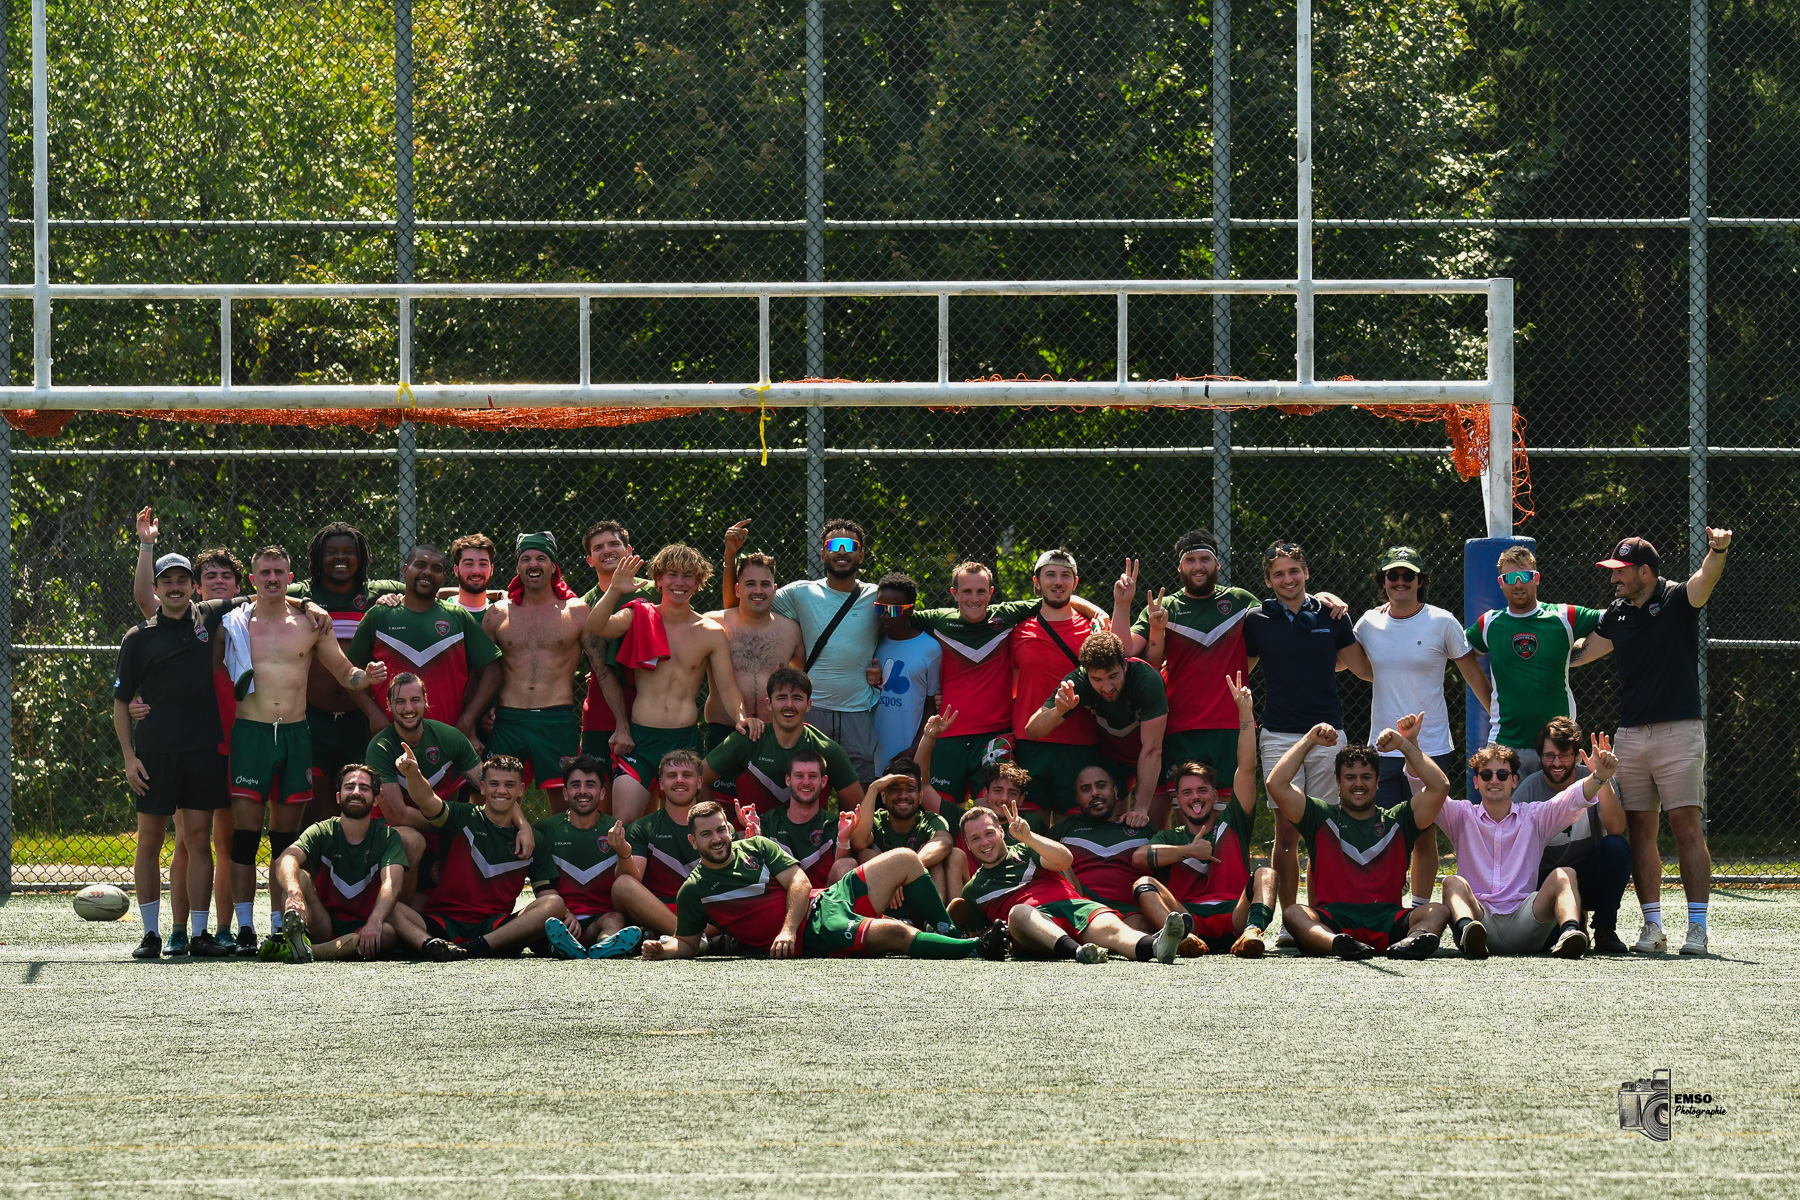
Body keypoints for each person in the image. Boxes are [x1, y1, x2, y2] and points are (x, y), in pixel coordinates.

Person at [1574, 529, 1731, 956]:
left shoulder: (1679, 598)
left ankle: (1696, 928)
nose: (1613, 580)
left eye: (1620, 572)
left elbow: (1707, 578)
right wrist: (1532, 648)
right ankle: (1652, 927)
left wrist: (1718, 549)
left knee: (1685, 825)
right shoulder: (1616, 614)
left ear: (1645, 571)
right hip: (1630, 735)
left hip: (1680, 729)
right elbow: (1582, 652)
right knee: (1641, 830)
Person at [227, 544, 387, 956]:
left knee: (285, 840)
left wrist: (364, 678)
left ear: (289, 574)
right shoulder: (235, 621)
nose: (273, 579)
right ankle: (244, 927)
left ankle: (281, 924)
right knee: (244, 838)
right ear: (253, 579)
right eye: (265, 572)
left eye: (279, 571)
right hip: (251, 733)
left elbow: (343, 670)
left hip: (297, 735)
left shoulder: (311, 622)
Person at [641, 802, 993, 961]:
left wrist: (786, 929)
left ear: (729, 828)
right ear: (693, 842)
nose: (717, 838)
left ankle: (947, 933)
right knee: (896, 935)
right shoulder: (695, 889)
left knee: (906, 858)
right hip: (816, 932)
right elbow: (686, 944)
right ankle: (977, 947)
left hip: (823, 902)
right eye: (707, 835)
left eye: (721, 829)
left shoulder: (756, 846)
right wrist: (662, 949)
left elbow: (799, 881)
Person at [1347, 545, 1492, 909]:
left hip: (1429, 747)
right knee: (1380, 831)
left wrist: (1498, 721)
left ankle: (1419, 909)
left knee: (1423, 831)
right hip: (1381, 748)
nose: (1399, 581)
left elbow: (1473, 676)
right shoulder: (1367, 623)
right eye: (1392, 575)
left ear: (1420, 581)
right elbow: (1341, 661)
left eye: (1407, 575)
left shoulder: (1442, 622)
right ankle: (1382, 906)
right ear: (1383, 581)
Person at [113, 553, 239, 959]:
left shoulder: (210, 616)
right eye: (167, 581)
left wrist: (307, 602)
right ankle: (151, 934)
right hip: (155, 754)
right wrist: (130, 756)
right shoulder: (137, 637)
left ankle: (199, 935)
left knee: (200, 841)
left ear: (193, 586)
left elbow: (268, 593)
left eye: (183, 580)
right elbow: (119, 703)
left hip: (203, 751)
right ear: (158, 587)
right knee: (149, 842)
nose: (175, 587)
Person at [1242, 541, 1365, 938]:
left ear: (1306, 573)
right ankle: (1290, 921)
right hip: (1278, 734)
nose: (1287, 579)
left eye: (1294, 570)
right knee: (1287, 831)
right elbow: (1241, 670)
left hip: (1330, 734)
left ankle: (1322, 916)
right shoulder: (1257, 620)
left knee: (1325, 831)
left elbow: (1361, 667)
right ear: (1267, 580)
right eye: (1278, 573)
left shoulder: (1332, 613)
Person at [587, 546, 754, 824]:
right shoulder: (640, 615)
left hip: (683, 741)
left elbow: (727, 688)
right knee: (624, 821)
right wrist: (615, 589)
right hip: (641, 740)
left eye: (688, 576)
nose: (680, 583)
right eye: (672, 575)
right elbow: (596, 626)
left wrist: (740, 717)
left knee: (696, 823)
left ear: (698, 583)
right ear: (659, 579)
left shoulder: (711, 632)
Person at [1265, 717, 1452, 960]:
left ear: (1377, 781)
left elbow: (1440, 786)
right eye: (1350, 777)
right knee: (1294, 913)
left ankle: (1412, 941)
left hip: (1389, 919)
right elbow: (1276, 784)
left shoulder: (1399, 819)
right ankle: (1338, 945)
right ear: (1338, 783)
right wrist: (1309, 740)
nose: (1358, 784)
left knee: (1437, 911)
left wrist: (1405, 745)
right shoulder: (1320, 816)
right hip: (1334, 922)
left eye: (1366, 776)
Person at [902, 561, 1070, 808]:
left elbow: (1057, 600)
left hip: (994, 737)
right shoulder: (937, 620)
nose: (974, 598)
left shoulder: (1007, 615)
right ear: (954, 593)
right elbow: (893, 620)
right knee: (943, 815)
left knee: (993, 813)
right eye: (967, 591)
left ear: (991, 593)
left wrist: (1099, 613)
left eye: (981, 591)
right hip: (949, 736)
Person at [1133, 674, 1279, 957]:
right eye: (1187, 792)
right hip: (1190, 920)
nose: (1195, 797)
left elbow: (1247, 769)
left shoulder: (1233, 821)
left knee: (1266, 873)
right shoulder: (1170, 837)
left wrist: (1244, 714)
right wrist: (1189, 850)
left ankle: (1253, 932)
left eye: (1202, 790)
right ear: (1177, 798)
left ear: (1215, 795)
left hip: (1236, 915)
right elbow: (1139, 859)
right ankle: (1179, 937)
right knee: (1143, 884)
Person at [1436, 736, 1621, 959]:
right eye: (1486, 775)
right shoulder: (1461, 815)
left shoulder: (1534, 816)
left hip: (1525, 920)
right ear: (1476, 782)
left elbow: (1572, 798)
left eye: (1502, 775)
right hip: (1479, 919)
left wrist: (1599, 777)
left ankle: (1571, 933)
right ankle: (1467, 930)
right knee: (1451, 882)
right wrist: (1409, 747)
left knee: (1565, 874)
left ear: (1514, 781)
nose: (1494, 780)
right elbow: (1429, 789)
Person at [1115, 529, 1260, 806]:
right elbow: (1125, 652)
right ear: (1180, 566)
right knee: (1182, 815)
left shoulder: (1241, 601)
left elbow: (1279, 623)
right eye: (1190, 560)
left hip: (1230, 726)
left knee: (1229, 818)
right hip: (1179, 726)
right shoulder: (1163, 607)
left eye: (1205, 559)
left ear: (1217, 564)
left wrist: (1321, 597)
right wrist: (1122, 604)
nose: (1198, 566)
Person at [959, 798, 1186, 964]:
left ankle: (1156, 947)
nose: (984, 842)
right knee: (1019, 912)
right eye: (975, 838)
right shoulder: (973, 890)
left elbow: (1064, 859)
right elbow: (982, 935)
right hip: (1032, 929)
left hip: (1073, 907)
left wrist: (1028, 837)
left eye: (989, 833)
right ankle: (1078, 952)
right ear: (967, 845)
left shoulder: (1027, 850)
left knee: (1113, 930)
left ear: (1001, 831)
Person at [289, 522, 402, 824]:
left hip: (360, 717)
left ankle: (354, 868)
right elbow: (262, 594)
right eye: (331, 552)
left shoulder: (378, 592)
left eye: (349, 552)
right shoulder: (302, 593)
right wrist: (305, 603)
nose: (340, 558)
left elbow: (426, 590)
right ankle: (314, 868)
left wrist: (399, 600)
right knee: (314, 807)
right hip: (312, 717)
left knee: (356, 800)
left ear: (361, 557)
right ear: (318, 557)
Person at [1465, 544, 1605, 778]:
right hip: (1505, 742)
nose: (1518, 583)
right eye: (1510, 578)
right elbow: (1458, 651)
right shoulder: (1489, 623)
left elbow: (1614, 618)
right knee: (1503, 813)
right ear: (1501, 582)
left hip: (1557, 746)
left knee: (1562, 814)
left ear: (1536, 578)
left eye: (1525, 576)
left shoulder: (1563, 616)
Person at [363, 673, 505, 901]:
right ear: (389, 705)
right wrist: (447, 825)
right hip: (392, 829)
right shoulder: (380, 746)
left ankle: (484, 917)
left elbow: (491, 787)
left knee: (486, 830)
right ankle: (402, 918)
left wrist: (521, 824)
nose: (408, 708)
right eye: (400, 702)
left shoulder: (449, 737)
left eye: (415, 700)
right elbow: (397, 814)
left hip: (438, 827)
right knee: (412, 841)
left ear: (426, 700)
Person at [409, 755, 568, 958]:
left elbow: (546, 894)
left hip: (494, 926)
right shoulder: (462, 816)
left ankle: (474, 949)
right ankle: (430, 945)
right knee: (390, 908)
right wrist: (413, 774)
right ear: (482, 787)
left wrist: (565, 912)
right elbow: (426, 800)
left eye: (509, 785)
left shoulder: (534, 840)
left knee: (554, 904)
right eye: (494, 784)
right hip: (444, 921)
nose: (501, 791)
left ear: (521, 790)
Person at [351, 543, 502, 744]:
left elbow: (493, 669)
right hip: (389, 738)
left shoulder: (457, 617)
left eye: (436, 569)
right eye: (420, 565)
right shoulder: (379, 616)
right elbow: (350, 670)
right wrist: (373, 714)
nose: (428, 572)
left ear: (444, 578)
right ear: (405, 570)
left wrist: (468, 719)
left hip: (447, 739)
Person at [483, 532, 588, 811]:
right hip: (508, 720)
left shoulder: (577, 611)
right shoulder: (497, 613)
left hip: (555, 719)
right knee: (492, 799)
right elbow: (481, 671)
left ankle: (559, 855)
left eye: (541, 558)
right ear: (517, 565)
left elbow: (602, 670)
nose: (533, 564)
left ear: (554, 566)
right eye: (526, 558)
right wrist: (480, 714)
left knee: (566, 804)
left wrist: (622, 726)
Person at [771, 519, 882, 785]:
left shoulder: (877, 596)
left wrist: (883, 670)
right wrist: (730, 558)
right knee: (804, 789)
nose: (842, 551)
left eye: (850, 546)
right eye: (834, 545)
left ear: (861, 554)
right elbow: (746, 608)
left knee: (860, 792)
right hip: (811, 709)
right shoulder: (801, 592)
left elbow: (900, 634)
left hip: (859, 711)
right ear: (822, 553)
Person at [270, 762, 414, 963]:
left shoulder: (388, 836)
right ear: (338, 797)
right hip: (324, 923)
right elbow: (287, 857)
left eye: (364, 788)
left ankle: (304, 951)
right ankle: (301, 942)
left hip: (366, 925)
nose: (356, 792)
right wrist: (294, 894)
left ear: (375, 800)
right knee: (298, 876)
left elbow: (392, 883)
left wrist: (374, 921)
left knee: (387, 933)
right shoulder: (322, 830)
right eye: (349, 787)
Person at [1021, 629, 1168, 826]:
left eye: (1113, 676)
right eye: (1097, 680)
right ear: (1086, 672)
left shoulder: (1146, 679)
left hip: (1154, 753)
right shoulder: (1078, 681)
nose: (1107, 687)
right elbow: (1032, 730)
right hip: (1113, 756)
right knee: (1112, 825)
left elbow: (1152, 749)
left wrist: (1140, 808)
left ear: (1124, 664)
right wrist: (1058, 710)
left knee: (1154, 826)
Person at [1009, 548, 1106, 825]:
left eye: (1066, 575)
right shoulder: (1018, 631)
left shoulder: (1095, 629)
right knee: (1029, 831)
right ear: (1036, 582)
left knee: (1074, 833)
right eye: (1050, 575)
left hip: (1081, 744)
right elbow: (1012, 687)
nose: (1058, 582)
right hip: (1030, 744)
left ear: (1075, 584)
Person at [1522, 717, 1630, 954]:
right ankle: (1572, 921)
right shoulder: (1529, 789)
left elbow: (1616, 827)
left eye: (1564, 755)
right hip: (1546, 882)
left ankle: (1604, 928)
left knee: (1616, 847)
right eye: (1550, 756)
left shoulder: (1592, 776)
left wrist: (1601, 779)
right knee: (1548, 942)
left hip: (1588, 875)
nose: (1557, 763)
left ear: (1577, 756)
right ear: (1540, 757)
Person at [701, 667, 862, 813]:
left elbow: (856, 811)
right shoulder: (747, 739)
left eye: (797, 698)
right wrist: (715, 825)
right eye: (781, 698)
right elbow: (698, 780)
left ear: (809, 704)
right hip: (752, 838)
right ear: (769, 703)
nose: (789, 705)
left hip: (809, 842)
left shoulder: (826, 749)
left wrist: (835, 836)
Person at [706, 525, 804, 755]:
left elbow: (813, 673)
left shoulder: (791, 631)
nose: (758, 590)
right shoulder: (713, 624)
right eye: (750, 584)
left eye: (765, 584)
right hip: (724, 729)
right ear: (738, 589)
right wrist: (729, 555)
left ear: (775, 589)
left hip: (775, 733)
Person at [537, 755, 645, 961]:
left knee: (616, 919)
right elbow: (539, 883)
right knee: (547, 923)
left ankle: (605, 945)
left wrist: (623, 851)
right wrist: (565, 913)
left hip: (601, 919)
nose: (583, 791)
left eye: (590, 785)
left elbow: (632, 882)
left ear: (603, 793)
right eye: (575, 785)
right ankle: (561, 944)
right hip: (561, 918)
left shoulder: (620, 830)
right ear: (565, 793)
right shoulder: (545, 829)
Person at [849, 719, 966, 903]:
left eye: (910, 790)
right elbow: (858, 843)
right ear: (883, 796)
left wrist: (903, 870)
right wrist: (872, 789)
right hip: (887, 899)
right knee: (866, 854)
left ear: (920, 797)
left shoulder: (928, 819)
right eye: (895, 789)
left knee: (941, 859)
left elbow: (944, 841)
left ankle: (940, 924)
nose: (903, 795)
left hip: (921, 895)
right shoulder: (877, 820)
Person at [609, 750, 709, 937]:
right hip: (658, 910)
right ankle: (691, 938)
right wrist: (624, 854)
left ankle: (681, 937)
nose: (679, 780)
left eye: (687, 775)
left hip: (704, 911)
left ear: (699, 782)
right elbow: (631, 881)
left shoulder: (717, 825)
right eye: (672, 776)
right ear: (661, 784)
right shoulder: (643, 827)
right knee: (622, 884)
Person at [576, 519, 648, 763]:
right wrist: (622, 725)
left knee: (647, 788)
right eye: (597, 548)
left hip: (655, 702)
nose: (606, 550)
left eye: (613, 543)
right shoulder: (584, 606)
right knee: (597, 786)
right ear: (590, 560)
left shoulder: (659, 591)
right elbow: (603, 671)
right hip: (605, 706)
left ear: (628, 550)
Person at [1052, 764, 1158, 928]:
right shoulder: (1065, 828)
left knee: (1142, 927)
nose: (1095, 793)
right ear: (1077, 799)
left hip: (1133, 914)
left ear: (1115, 791)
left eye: (1101, 786)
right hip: (1083, 914)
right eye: (1086, 789)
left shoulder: (1140, 829)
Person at [746, 748, 858, 886]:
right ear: (788, 780)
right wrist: (752, 840)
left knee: (848, 863)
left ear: (823, 781)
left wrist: (843, 840)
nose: (806, 782)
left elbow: (841, 871)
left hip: (825, 902)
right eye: (799, 776)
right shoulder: (768, 823)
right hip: (780, 902)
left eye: (812, 776)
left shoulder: (835, 824)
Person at [869, 571, 941, 773]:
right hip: (868, 752)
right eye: (880, 608)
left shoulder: (930, 649)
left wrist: (916, 747)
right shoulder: (871, 642)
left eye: (893, 610)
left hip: (907, 754)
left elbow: (931, 704)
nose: (884, 615)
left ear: (911, 610)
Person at [446, 533, 500, 616]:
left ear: (491, 569)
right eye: (469, 564)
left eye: (483, 564)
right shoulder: (442, 612)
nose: (476, 571)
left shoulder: (500, 615)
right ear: (456, 570)